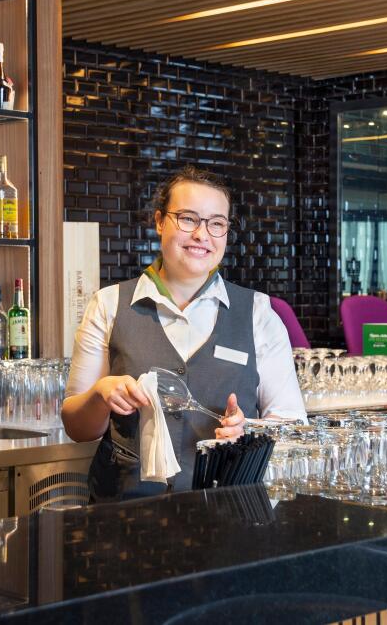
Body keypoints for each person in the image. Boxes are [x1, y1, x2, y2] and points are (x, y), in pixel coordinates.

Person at [62, 166, 306, 502]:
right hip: (124, 515)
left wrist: (248, 431)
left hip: (228, 512)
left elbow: (292, 426)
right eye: (188, 219)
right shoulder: (108, 305)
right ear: (160, 222)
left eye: (216, 223)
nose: (202, 235)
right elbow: (77, 428)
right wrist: (100, 396)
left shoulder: (258, 314)